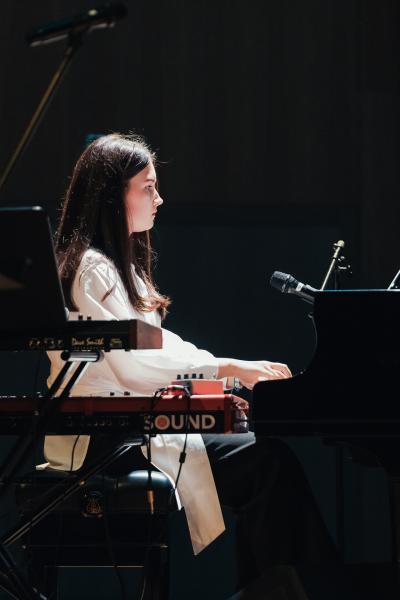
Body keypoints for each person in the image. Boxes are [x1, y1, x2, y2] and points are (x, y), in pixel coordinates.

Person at [45, 133, 335, 588]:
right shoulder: (92, 268)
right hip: (105, 439)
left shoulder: (117, 268)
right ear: (112, 195)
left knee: (265, 459)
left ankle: (282, 589)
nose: (159, 199)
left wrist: (224, 381)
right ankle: (298, 589)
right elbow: (134, 366)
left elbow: (163, 347)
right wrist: (230, 369)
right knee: (266, 463)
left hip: (130, 426)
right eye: (148, 187)